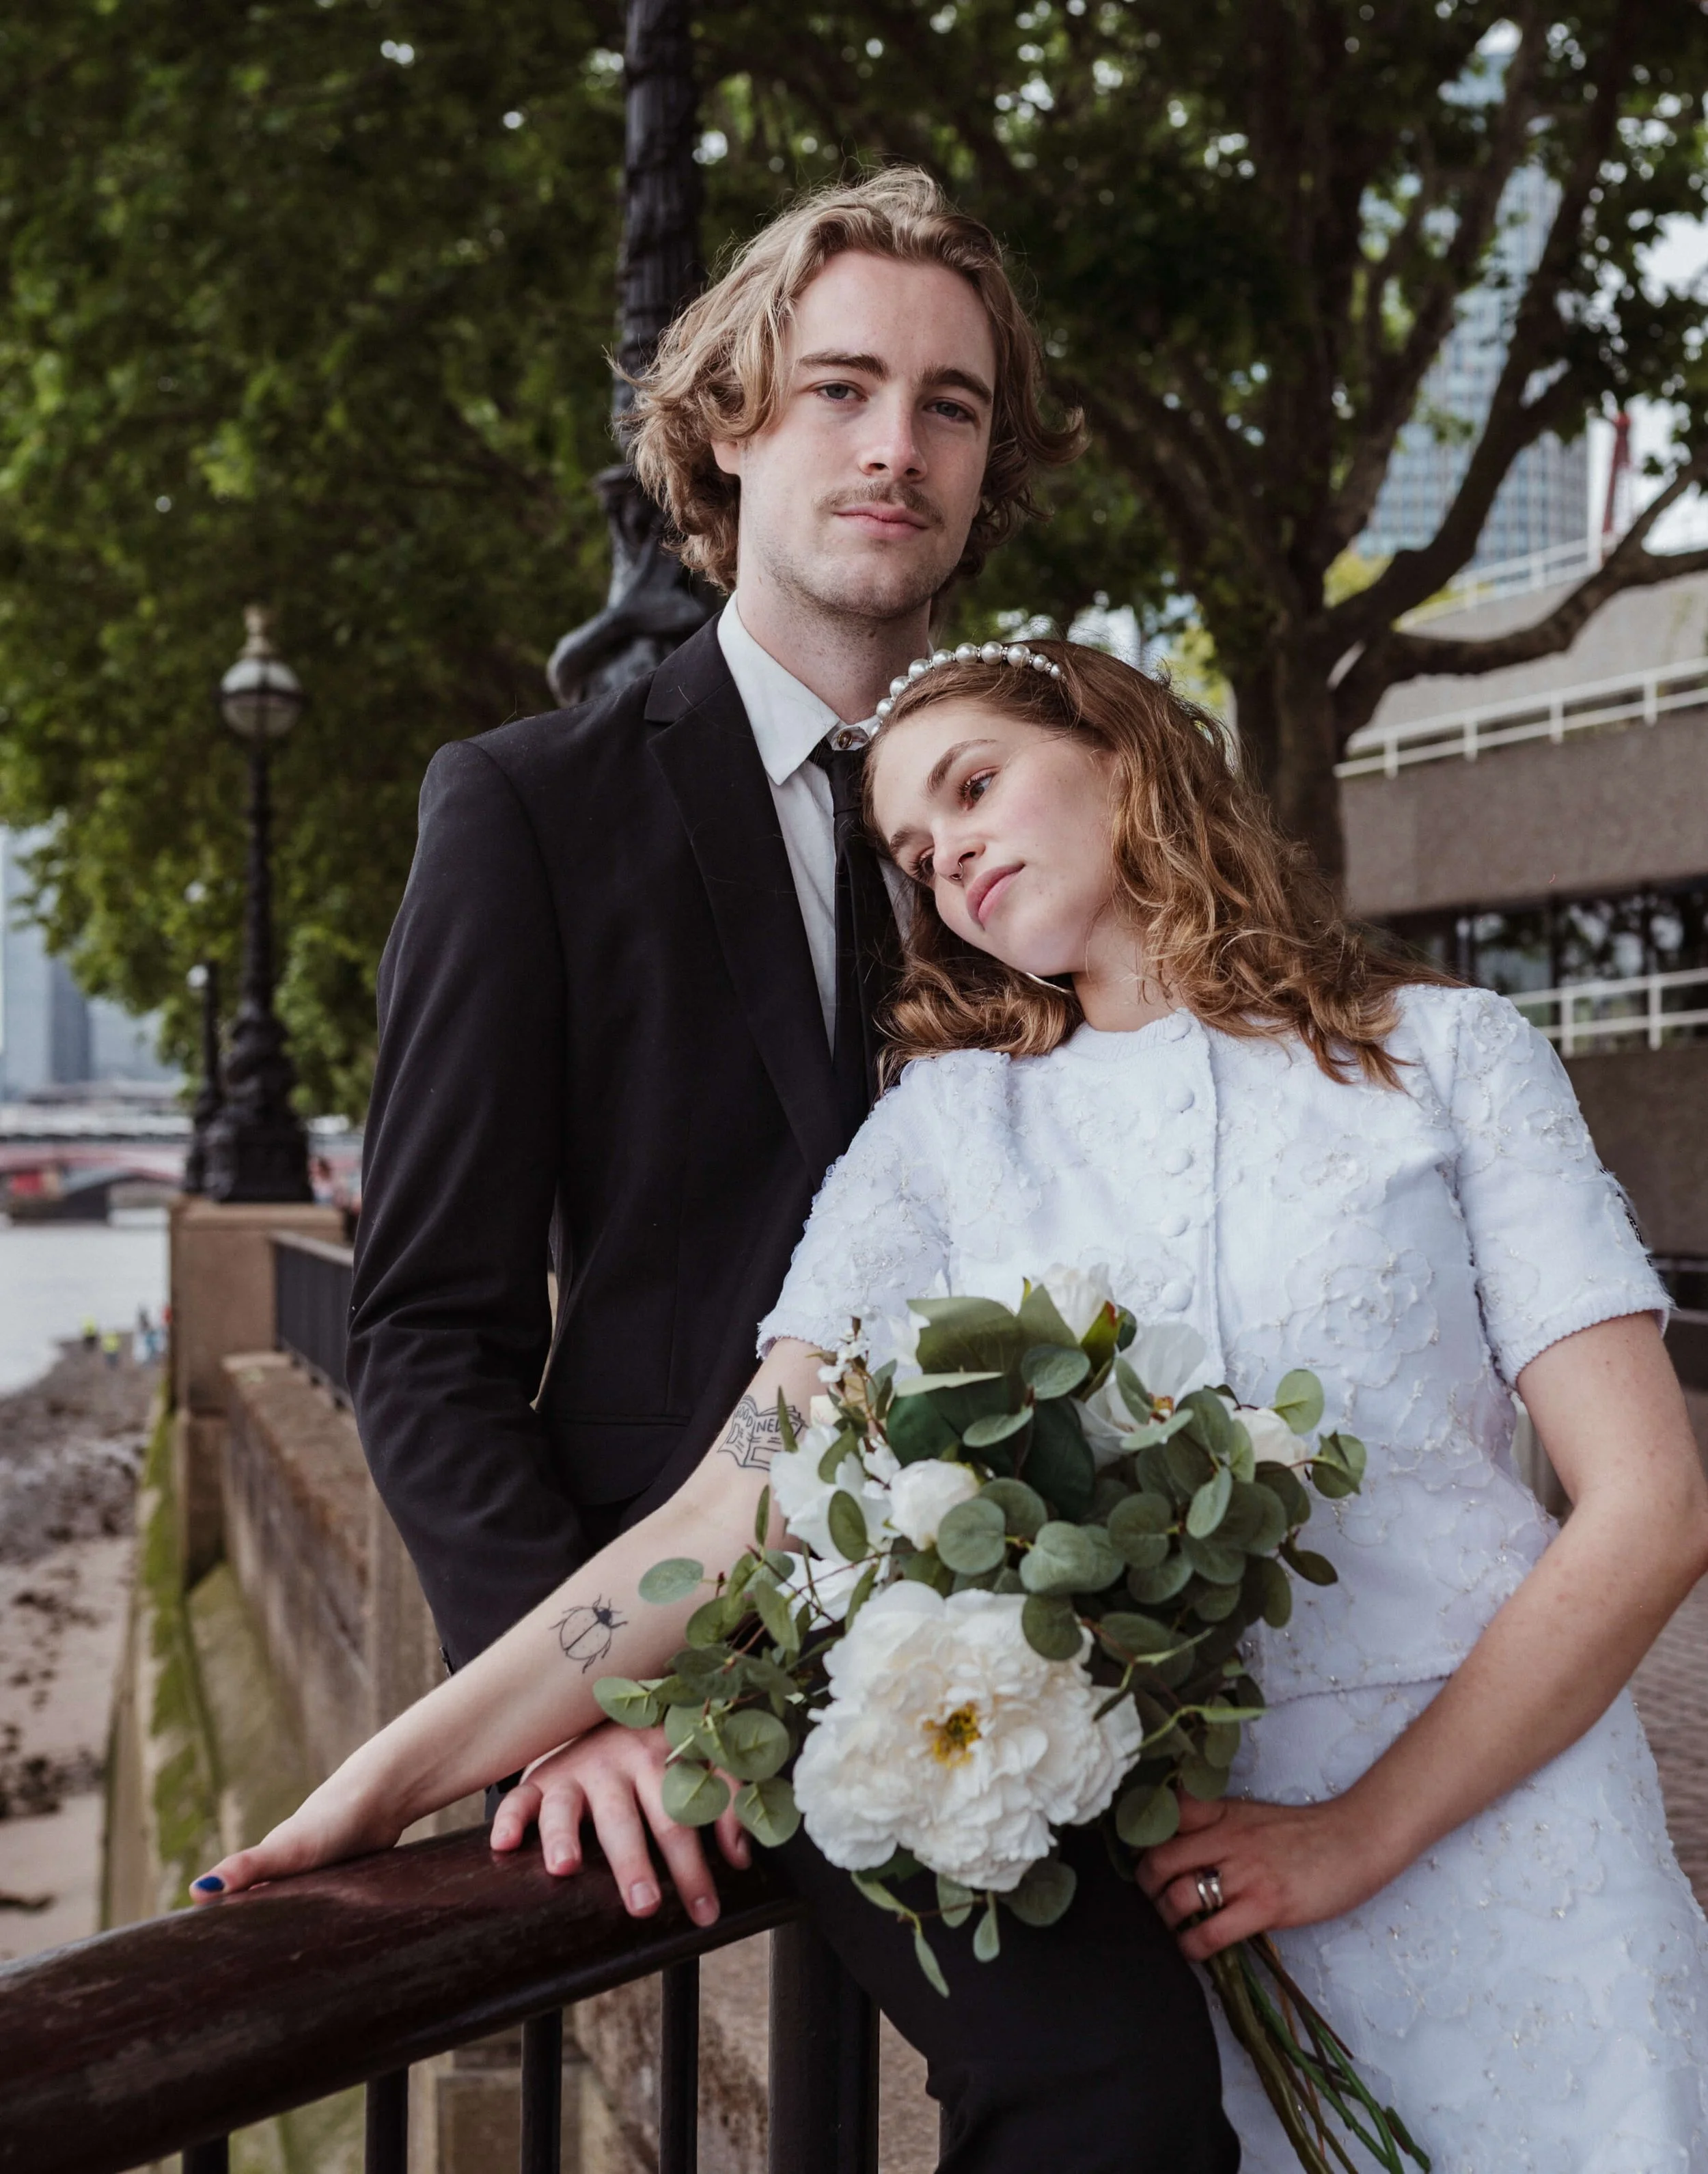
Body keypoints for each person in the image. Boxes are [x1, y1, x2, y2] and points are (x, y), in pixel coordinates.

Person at [197, 637, 1708, 2170]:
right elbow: (739, 1497)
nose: (950, 854)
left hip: (1520, 1838)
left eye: (975, 785)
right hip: (1192, 1875)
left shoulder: (1446, 1055)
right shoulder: (941, 1136)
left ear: (1121, 752)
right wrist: (395, 1772)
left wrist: (1359, 1830)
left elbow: (1646, 1505)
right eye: (913, 849)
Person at [329, 165, 1234, 2171]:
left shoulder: (1047, 801)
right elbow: (428, 1323)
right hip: (728, 1644)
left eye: (949, 404)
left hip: (1080, 1602)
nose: (891, 446)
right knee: (1116, 2084)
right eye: (836, 388)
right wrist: (562, 1687)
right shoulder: (523, 809)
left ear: (992, 465)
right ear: (727, 420)